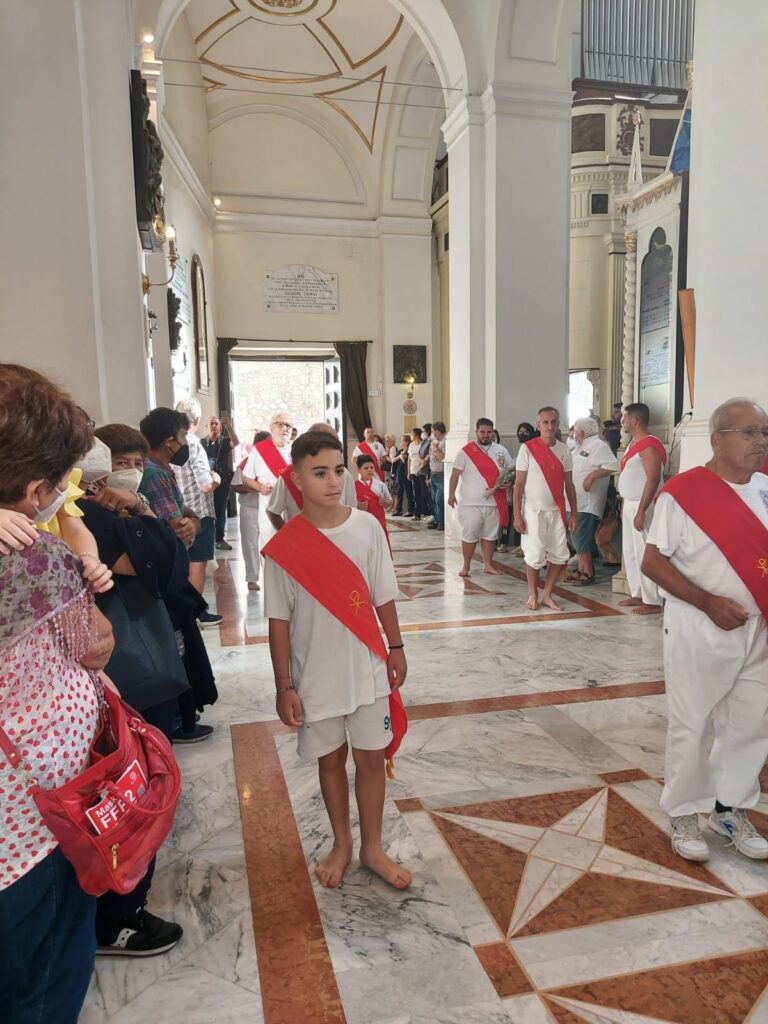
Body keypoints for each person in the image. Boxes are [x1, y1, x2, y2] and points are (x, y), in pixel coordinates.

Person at [0, 364, 117, 1021]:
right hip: (34, 829)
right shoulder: (36, 561)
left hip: (37, 816)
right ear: (37, 489)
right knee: (40, 989)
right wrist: (81, 572)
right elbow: (96, 646)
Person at [263, 430, 410, 890]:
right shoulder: (286, 547)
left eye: (339, 471)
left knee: (370, 759)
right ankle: (341, 843)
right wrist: (284, 685)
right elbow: (278, 621)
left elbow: (383, 593)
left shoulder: (366, 527)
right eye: (320, 472)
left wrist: (397, 646)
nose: (332, 481)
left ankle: (372, 847)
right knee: (331, 762)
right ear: (296, 479)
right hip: (315, 676)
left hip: (367, 668)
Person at [74, 424, 188, 953]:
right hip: (123, 679)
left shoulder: (68, 518)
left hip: (85, 688)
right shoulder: (88, 519)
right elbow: (164, 567)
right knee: (127, 795)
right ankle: (119, 915)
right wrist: (143, 514)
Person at [642, 398, 768, 863]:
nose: (761, 443)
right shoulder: (684, 493)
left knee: (750, 723)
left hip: (757, 630)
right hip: (698, 625)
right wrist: (708, 602)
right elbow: (652, 562)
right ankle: (684, 812)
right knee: (692, 722)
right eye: (750, 432)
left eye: (765, 434)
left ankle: (729, 809)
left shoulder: (766, 487)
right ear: (717, 440)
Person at [513, 406, 578, 610]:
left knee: (559, 555)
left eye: (554, 422)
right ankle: (532, 594)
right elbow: (519, 485)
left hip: (557, 510)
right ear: (538, 424)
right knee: (534, 555)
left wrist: (574, 513)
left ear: (558, 424)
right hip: (533, 511)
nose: (550, 426)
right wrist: (517, 514)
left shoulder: (564, 450)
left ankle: (547, 594)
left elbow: (569, 484)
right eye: (546, 422)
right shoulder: (527, 449)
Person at [173, 399, 222, 628]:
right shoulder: (192, 443)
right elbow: (204, 485)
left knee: (181, 565)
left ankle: (183, 613)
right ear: (197, 420)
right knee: (197, 565)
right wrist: (217, 480)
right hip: (198, 515)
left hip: (176, 511)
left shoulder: (170, 441)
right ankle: (193, 616)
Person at [448, 417, 513, 577]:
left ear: (493, 433)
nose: (485, 435)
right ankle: (466, 566)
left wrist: (509, 483)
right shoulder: (466, 451)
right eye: (482, 432)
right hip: (470, 503)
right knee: (470, 535)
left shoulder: (501, 450)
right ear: (476, 432)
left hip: (495, 501)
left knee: (490, 536)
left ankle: (488, 565)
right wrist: (451, 494)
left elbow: (511, 471)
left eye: (489, 432)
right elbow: (455, 474)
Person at [618, 402, 666, 615]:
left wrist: (640, 510)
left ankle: (653, 600)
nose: (622, 422)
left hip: (644, 505)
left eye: (624, 418)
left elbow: (653, 479)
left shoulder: (648, 445)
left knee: (645, 550)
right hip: (631, 503)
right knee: (630, 551)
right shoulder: (633, 444)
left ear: (634, 420)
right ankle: (638, 592)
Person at [267, 423, 357, 530]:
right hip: (302, 540)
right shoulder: (288, 476)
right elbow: (273, 511)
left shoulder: (344, 474)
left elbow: (352, 509)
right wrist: (289, 537)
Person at [567, 417, 618, 585]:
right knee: (576, 537)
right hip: (575, 500)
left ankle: (588, 571)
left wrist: (591, 476)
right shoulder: (580, 446)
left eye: (575, 430)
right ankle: (581, 569)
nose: (574, 433)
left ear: (580, 432)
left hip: (586, 502)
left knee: (580, 536)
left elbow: (612, 465)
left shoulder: (598, 445)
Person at [241, 411, 293, 550]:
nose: (284, 428)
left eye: (288, 425)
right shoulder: (259, 450)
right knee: (271, 552)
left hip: (294, 511)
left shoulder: (297, 450)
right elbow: (245, 478)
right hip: (269, 512)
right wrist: (259, 487)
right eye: (280, 424)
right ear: (271, 428)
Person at [232, 430, 271, 591]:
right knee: (251, 544)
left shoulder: (274, 463)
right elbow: (234, 486)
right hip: (250, 509)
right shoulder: (246, 463)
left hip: (269, 509)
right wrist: (252, 489)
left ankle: (271, 576)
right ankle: (252, 578)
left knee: (270, 543)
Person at [201, 414, 239, 551]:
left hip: (222, 482)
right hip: (205, 482)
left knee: (220, 511)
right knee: (205, 511)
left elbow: (236, 442)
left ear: (220, 426)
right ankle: (207, 538)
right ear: (206, 426)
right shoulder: (201, 443)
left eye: (217, 423)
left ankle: (219, 539)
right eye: (211, 423)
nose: (214, 426)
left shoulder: (225, 440)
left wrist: (229, 427)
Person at [355, 454, 393, 553]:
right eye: (366, 468)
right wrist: (357, 506)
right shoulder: (354, 486)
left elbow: (390, 502)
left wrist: (385, 502)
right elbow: (348, 505)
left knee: (380, 548)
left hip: (379, 522)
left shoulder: (380, 485)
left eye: (371, 467)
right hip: (361, 523)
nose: (369, 470)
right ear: (358, 470)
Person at [427, 422, 447, 531]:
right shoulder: (435, 442)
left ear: (438, 431)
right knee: (434, 499)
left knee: (439, 500)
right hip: (433, 474)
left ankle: (442, 523)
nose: (432, 433)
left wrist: (435, 449)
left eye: (433, 431)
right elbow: (431, 458)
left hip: (441, 475)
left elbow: (443, 457)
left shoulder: (445, 442)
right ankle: (437, 520)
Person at [407, 428, 428, 519]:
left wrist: (420, 469)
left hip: (422, 472)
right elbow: (409, 459)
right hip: (413, 471)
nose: (411, 436)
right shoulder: (411, 444)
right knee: (416, 493)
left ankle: (425, 511)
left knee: (423, 492)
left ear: (417, 435)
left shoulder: (423, 444)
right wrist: (409, 472)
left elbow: (424, 458)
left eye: (412, 434)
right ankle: (417, 512)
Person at [391, 434, 412, 516]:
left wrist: (404, 457)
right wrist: (399, 457)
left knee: (408, 492)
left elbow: (406, 462)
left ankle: (410, 510)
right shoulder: (400, 451)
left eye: (403, 440)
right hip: (399, 475)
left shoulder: (409, 451)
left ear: (407, 442)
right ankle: (398, 509)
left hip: (406, 474)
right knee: (399, 492)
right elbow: (393, 460)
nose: (401, 442)